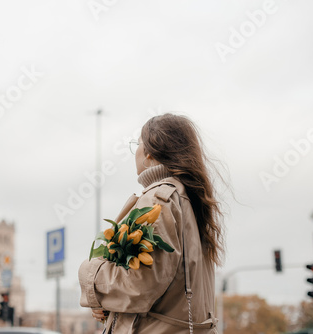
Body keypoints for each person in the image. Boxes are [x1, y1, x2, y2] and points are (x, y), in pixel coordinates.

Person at [78, 113, 225, 334]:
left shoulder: (158, 201)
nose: (135, 152)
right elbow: (166, 288)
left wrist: (89, 274)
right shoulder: (192, 201)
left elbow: (138, 286)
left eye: (137, 144)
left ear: (149, 153)